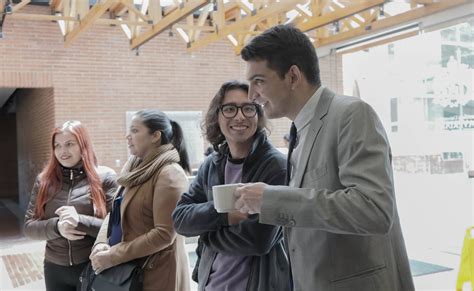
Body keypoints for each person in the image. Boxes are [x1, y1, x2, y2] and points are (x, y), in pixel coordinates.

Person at [235, 24, 415, 291]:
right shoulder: (300, 130)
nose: (252, 95)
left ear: (293, 76)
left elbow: (373, 209)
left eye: (259, 81)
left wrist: (272, 199)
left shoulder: (351, 114)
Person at [172, 80, 290, 291]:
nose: (239, 116)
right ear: (217, 116)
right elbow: (180, 220)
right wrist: (224, 216)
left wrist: (206, 233)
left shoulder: (275, 167)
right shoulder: (212, 164)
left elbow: (257, 240)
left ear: (258, 115)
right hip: (211, 284)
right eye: (229, 109)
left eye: (248, 108)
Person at [90, 109, 191, 291]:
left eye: (135, 130)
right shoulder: (133, 170)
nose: (127, 136)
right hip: (130, 272)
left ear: (155, 136)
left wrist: (113, 255)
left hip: (157, 276)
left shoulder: (169, 174)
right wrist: (101, 243)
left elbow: (164, 234)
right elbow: (115, 212)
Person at [24, 120, 118, 291]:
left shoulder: (105, 178)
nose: (62, 151)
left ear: (83, 145)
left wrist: (79, 221)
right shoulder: (44, 181)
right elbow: (29, 226)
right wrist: (57, 227)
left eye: (69, 144)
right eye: (57, 145)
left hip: (92, 265)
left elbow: (116, 227)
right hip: (54, 269)